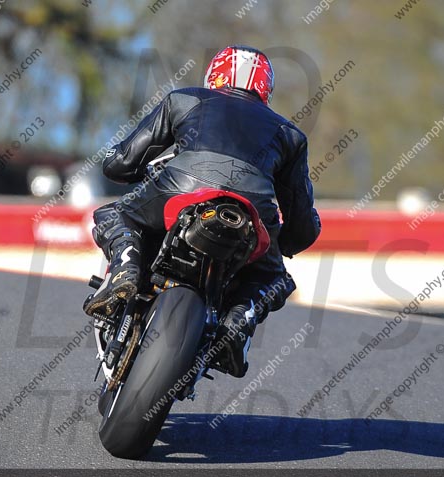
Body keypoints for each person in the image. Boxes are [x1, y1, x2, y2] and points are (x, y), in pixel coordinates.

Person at [83, 45, 321, 377]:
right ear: (266, 88)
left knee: (115, 214)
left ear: (214, 75)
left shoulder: (183, 100)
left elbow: (120, 164)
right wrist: (289, 242)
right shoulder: (290, 135)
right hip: (252, 212)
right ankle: (240, 319)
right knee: (274, 277)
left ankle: (126, 265)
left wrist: (129, 170)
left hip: (180, 188)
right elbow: (301, 226)